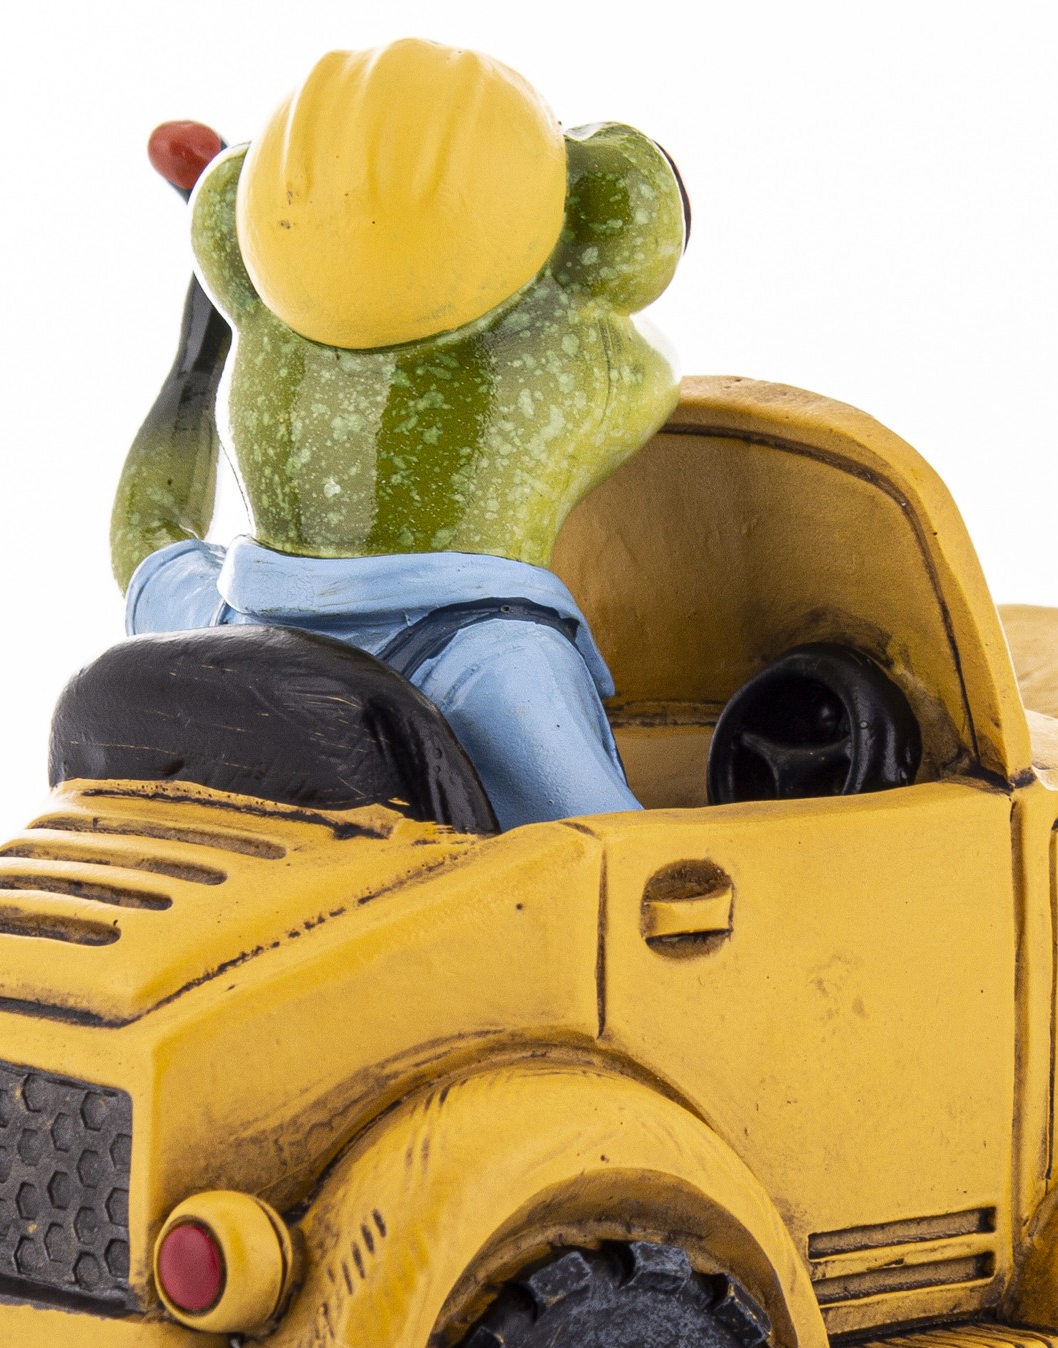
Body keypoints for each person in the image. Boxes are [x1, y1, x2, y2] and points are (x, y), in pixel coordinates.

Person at [108, 39, 689, 828]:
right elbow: (629, 870)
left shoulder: (207, 633)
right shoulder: (500, 672)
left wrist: (199, 352)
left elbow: (148, 529)